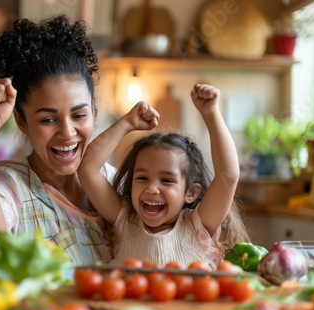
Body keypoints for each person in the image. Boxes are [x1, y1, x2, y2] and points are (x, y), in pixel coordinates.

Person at [0, 15, 117, 265]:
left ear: (94, 112)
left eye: (79, 115)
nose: (67, 132)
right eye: (48, 120)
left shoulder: (119, 183)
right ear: (22, 122)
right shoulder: (12, 186)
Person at [77, 84, 250, 270]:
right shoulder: (125, 221)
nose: (151, 188)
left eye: (167, 180)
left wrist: (211, 113)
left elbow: (228, 176)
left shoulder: (198, 227)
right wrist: (126, 123)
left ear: (190, 192)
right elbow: (87, 169)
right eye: (142, 178)